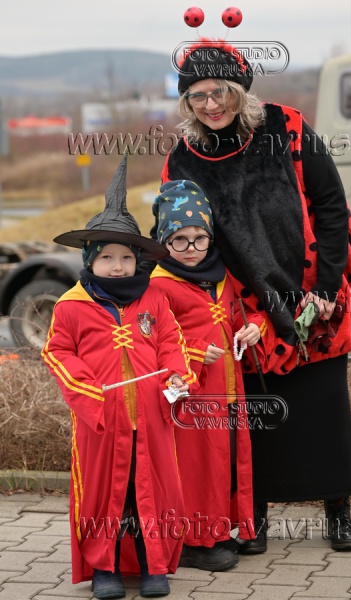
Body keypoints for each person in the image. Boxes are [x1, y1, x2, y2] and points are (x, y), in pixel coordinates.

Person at [146, 38, 351, 553]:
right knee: (257, 414)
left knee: (325, 407)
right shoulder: (182, 160)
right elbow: (181, 235)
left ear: (239, 89)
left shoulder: (286, 127)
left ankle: (339, 513)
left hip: (314, 288)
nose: (211, 104)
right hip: (246, 303)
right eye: (198, 96)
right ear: (186, 103)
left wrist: (327, 288)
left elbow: (331, 207)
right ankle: (256, 519)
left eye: (220, 91)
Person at [42, 155, 197, 599]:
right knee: (104, 493)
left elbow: (171, 342)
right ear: (90, 259)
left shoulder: (153, 299)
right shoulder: (71, 306)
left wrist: (178, 376)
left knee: (150, 491)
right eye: (107, 257)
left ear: (137, 261)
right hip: (101, 422)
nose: (117, 266)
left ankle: (153, 565)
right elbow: (57, 352)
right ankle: (104, 568)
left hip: (151, 419)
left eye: (126, 258)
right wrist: (87, 389)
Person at [150, 179, 266, 569]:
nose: (191, 248)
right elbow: (152, 340)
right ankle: (193, 542)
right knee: (197, 467)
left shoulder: (222, 276)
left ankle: (218, 531)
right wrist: (196, 352)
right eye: (179, 239)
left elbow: (240, 315)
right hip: (190, 395)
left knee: (224, 463)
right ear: (164, 241)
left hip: (228, 391)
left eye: (200, 238)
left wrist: (254, 327)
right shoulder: (158, 285)